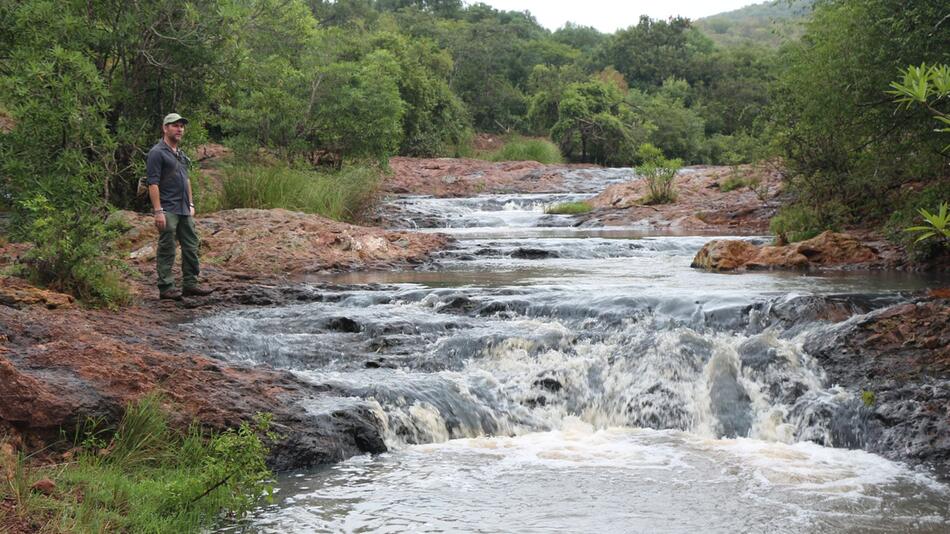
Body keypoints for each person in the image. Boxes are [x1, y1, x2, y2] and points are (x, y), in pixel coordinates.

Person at [146, 113, 214, 300]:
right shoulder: (156, 153)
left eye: (181, 126)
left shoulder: (181, 155)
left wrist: (191, 203)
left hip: (184, 208)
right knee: (167, 247)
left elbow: (187, 180)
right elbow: (153, 184)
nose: (179, 129)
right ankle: (166, 288)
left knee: (191, 246)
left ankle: (190, 284)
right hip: (168, 209)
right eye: (175, 126)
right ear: (165, 128)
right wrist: (158, 211)